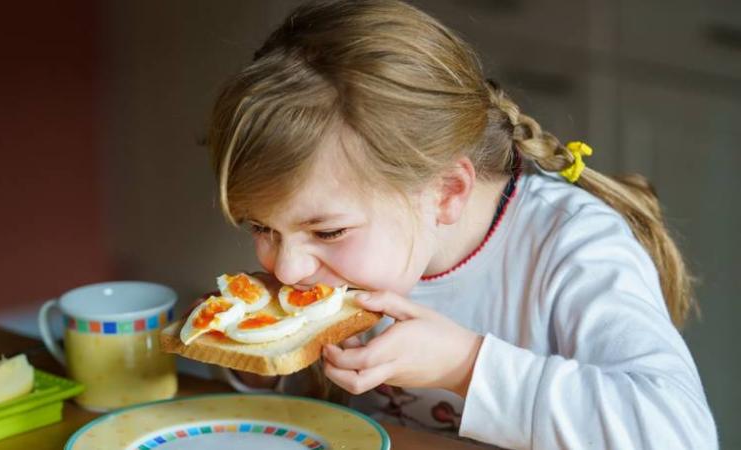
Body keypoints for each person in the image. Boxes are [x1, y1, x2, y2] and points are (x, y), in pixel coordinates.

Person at [202, 0, 718, 448]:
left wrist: (466, 366)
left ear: (447, 193)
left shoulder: (570, 246)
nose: (287, 268)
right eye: (261, 227)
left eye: (328, 232)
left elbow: (679, 435)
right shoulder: (351, 251)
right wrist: (260, 362)